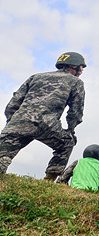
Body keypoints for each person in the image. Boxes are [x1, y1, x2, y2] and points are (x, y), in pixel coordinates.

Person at [0, 52, 87, 180]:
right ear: (74, 66)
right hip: (47, 125)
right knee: (67, 143)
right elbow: (75, 112)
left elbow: (13, 103)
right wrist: (70, 130)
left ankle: (3, 162)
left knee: (3, 153)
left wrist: (12, 123)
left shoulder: (35, 77)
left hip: (19, 121)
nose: (81, 72)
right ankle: (50, 179)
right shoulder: (76, 83)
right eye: (81, 68)